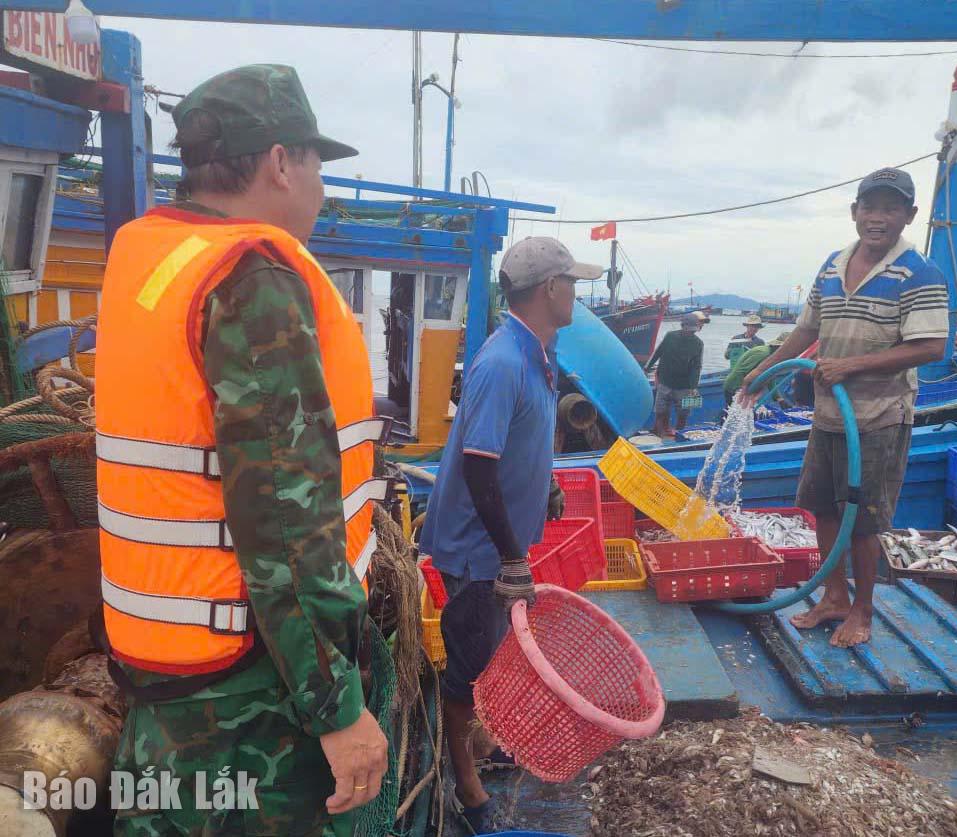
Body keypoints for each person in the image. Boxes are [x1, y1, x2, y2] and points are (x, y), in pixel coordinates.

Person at [95, 65, 389, 836]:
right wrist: (339, 709)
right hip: (251, 706)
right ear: (279, 162)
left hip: (162, 688)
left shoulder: (148, 258)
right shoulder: (250, 275)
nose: (321, 187)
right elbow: (285, 523)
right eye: (317, 164)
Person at [419, 236, 602, 834]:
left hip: (498, 548)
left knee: (492, 647)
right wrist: (509, 556)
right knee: (469, 662)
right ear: (550, 289)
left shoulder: (538, 353)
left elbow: (521, 439)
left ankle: (478, 738)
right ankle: (464, 783)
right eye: (572, 282)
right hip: (477, 553)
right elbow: (478, 464)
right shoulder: (501, 362)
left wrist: (545, 483)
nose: (577, 292)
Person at [742, 167, 948, 647]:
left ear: (909, 216)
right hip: (829, 414)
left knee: (865, 519)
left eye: (891, 208)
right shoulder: (833, 264)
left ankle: (863, 611)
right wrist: (761, 371)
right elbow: (805, 331)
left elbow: (932, 347)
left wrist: (851, 366)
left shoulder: (920, 273)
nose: (878, 217)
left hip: (877, 418)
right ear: (855, 212)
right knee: (821, 508)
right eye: (869, 207)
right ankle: (832, 596)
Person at [645, 312, 705, 438]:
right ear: (682, 326)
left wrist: (693, 387)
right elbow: (658, 352)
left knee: (683, 412)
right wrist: (646, 368)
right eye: (687, 330)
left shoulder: (698, 343)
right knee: (661, 410)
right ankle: (660, 431)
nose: (689, 332)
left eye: (692, 331)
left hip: (684, 385)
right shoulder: (670, 336)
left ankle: (679, 433)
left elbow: (697, 366)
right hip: (665, 381)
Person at [723, 330, 791, 408]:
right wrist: (742, 391)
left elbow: (769, 377)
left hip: (749, 388)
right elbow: (742, 372)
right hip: (735, 386)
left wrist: (779, 399)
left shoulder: (773, 357)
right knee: (735, 412)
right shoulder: (762, 353)